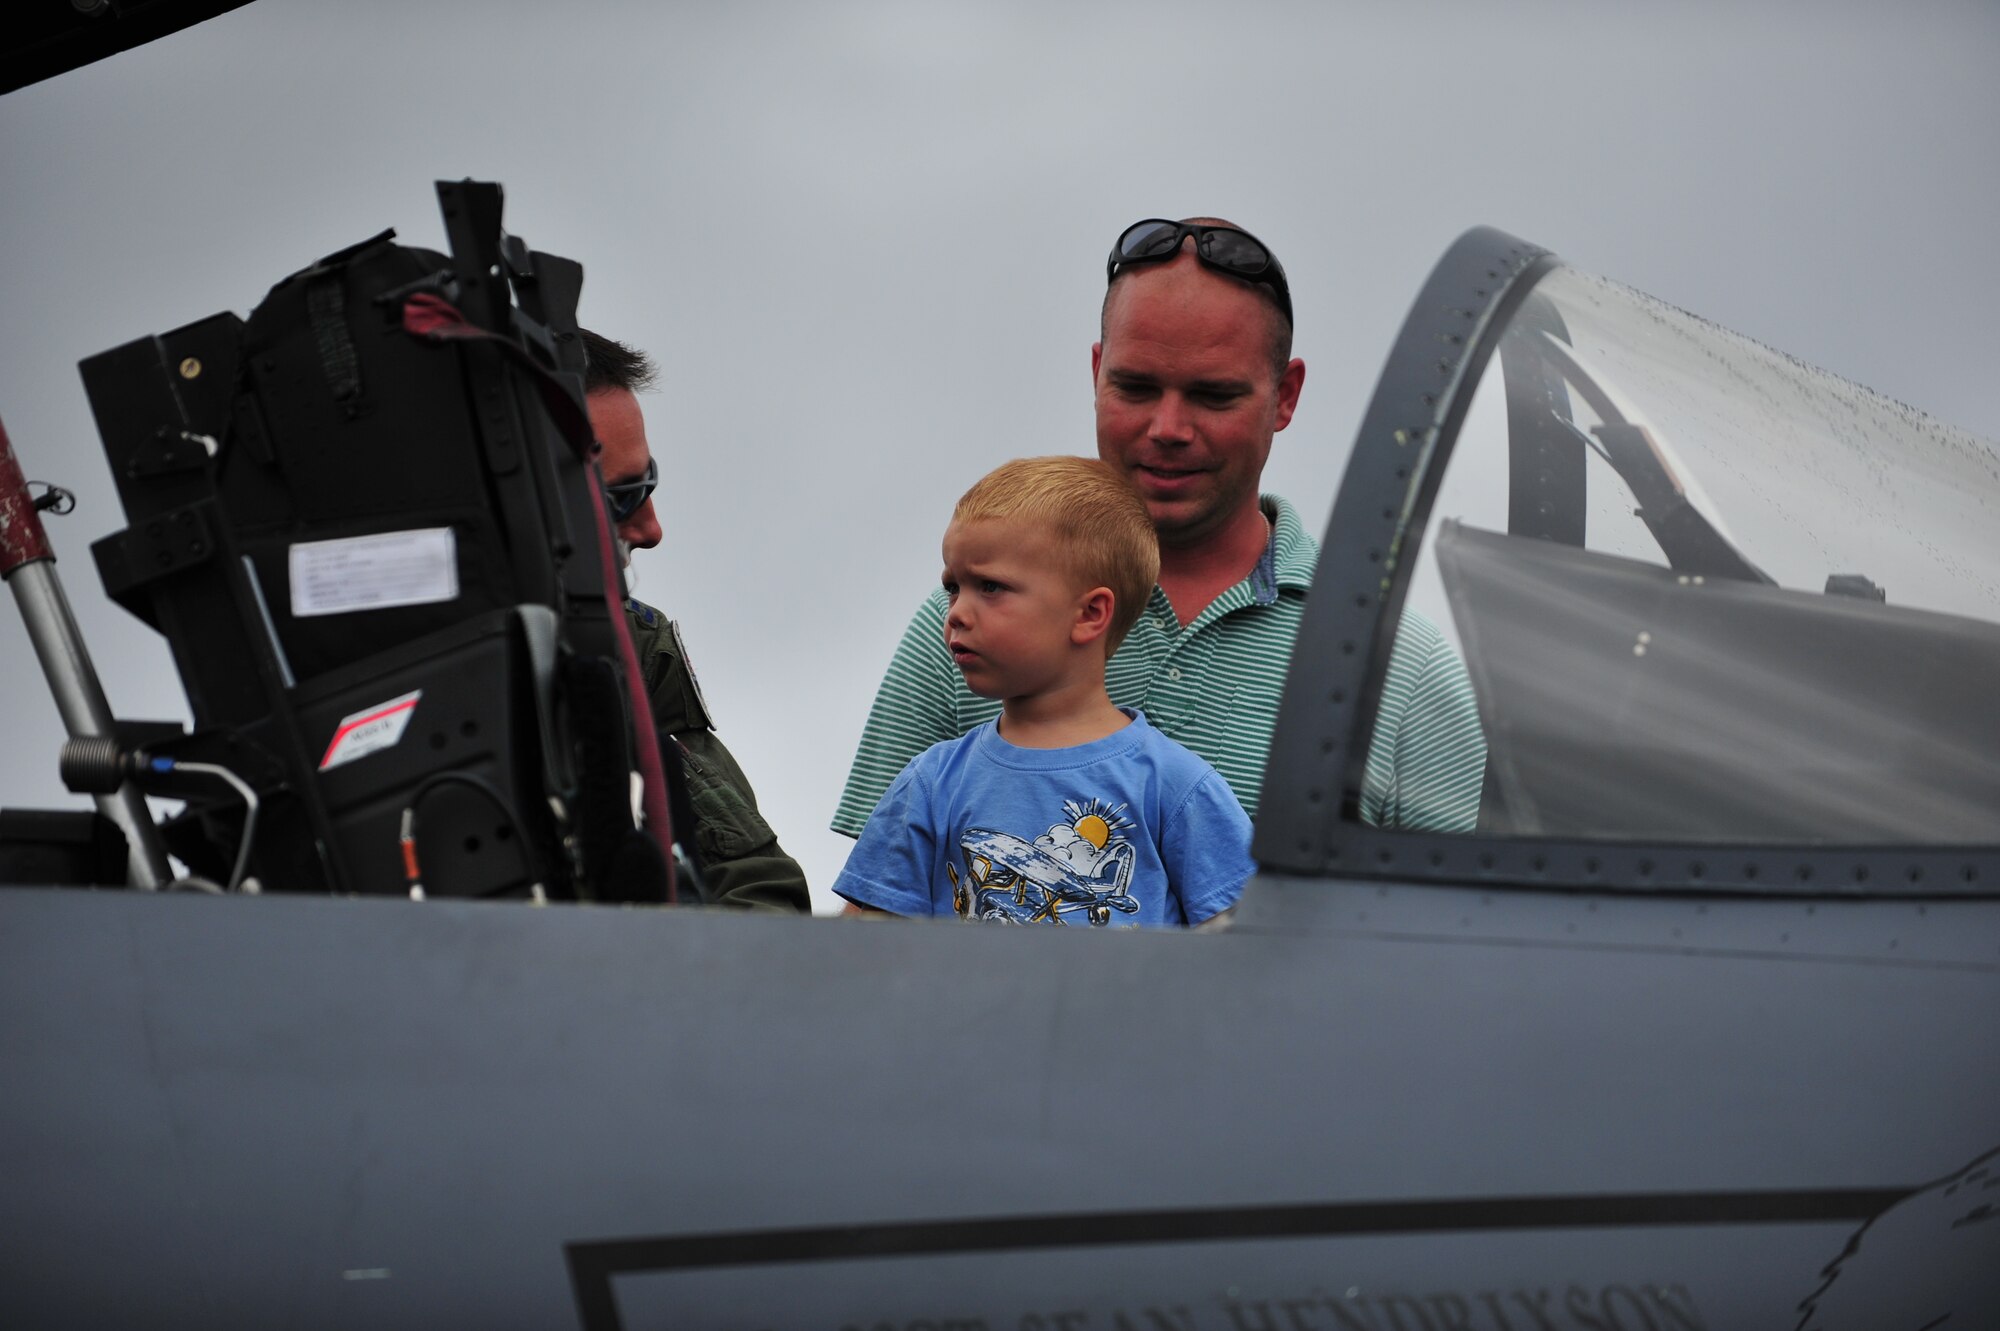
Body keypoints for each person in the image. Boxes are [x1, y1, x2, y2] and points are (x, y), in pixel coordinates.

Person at [833, 218, 1485, 842]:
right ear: (1096, 374)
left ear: (1285, 395)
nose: (1168, 428)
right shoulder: (966, 621)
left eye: (1213, 395)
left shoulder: (1401, 673)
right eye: (1137, 388)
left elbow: (1471, 941)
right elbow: (872, 926)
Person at [834, 456, 1251, 926]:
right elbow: (860, 953)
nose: (955, 613)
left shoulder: (1176, 786)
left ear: (1090, 614)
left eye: (990, 587)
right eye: (954, 587)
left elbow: (1252, 949)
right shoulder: (931, 782)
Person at [579, 328, 810, 913]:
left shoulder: (631, 645)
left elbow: (760, 887)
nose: (652, 530)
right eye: (622, 497)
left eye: (646, 484)